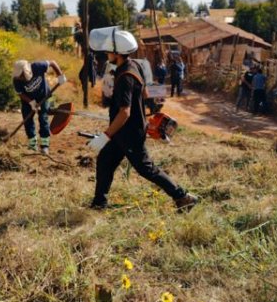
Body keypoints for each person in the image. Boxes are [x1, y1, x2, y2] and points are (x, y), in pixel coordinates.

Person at [86, 27, 198, 212]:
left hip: (129, 133)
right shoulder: (132, 66)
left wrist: (105, 136)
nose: (106, 53)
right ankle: (99, 203)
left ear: (117, 52)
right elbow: (145, 92)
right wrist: (151, 115)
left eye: (109, 50)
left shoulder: (124, 77)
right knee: (105, 161)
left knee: (146, 169)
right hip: (122, 131)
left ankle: (182, 197)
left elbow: (125, 113)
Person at [13, 59, 67, 154]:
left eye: (22, 76)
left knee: (43, 118)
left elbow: (52, 62)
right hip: (28, 100)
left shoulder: (38, 66)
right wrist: (31, 102)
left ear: (26, 72)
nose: (21, 78)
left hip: (43, 96)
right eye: (20, 77)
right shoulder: (16, 80)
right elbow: (20, 93)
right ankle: (32, 144)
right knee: (27, 119)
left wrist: (60, 75)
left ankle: (44, 145)